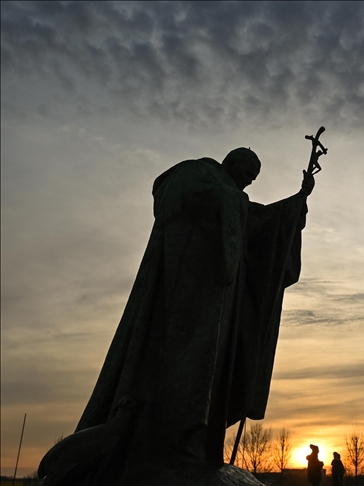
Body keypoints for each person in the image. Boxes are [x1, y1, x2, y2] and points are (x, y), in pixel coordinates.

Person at [40, 148, 314, 485]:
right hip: (184, 296)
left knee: (210, 372)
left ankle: (193, 447)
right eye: (246, 173)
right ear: (231, 162)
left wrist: (293, 207)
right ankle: (168, 445)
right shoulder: (195, 172)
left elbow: (258, 226)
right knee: (183, 368)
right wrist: (236, 204)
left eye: (252, 180)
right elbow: (174, 199)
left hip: (221, 304)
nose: (247, 182)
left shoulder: (234, 199)